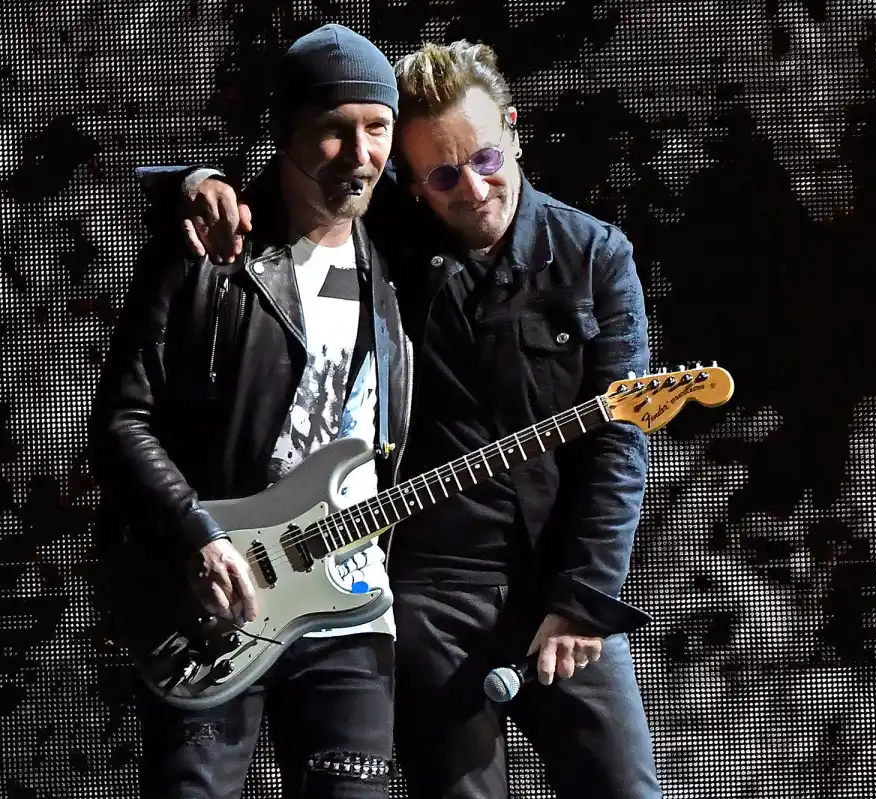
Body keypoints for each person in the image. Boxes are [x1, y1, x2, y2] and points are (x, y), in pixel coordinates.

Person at [174, 40, 662, 799]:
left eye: (486, 158)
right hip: (430, 591)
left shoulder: (596, 253)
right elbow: (286, 182)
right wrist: (195, 184)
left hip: (562, 578)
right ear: (410, 181)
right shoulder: (386, 247)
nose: (473, 188)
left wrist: (582, 599)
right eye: (441, 175)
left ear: (513, 130)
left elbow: (619, 448)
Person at [89, 24, 411, 798]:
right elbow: (121, 420)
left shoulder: (399, 250)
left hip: (350, 600)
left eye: (377, 128)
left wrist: (187, 178)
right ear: (284, 130)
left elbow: (493, 196)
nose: (360, 152)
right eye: (334, 129)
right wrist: (196, 534)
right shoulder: (208, 251)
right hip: (217, 595)